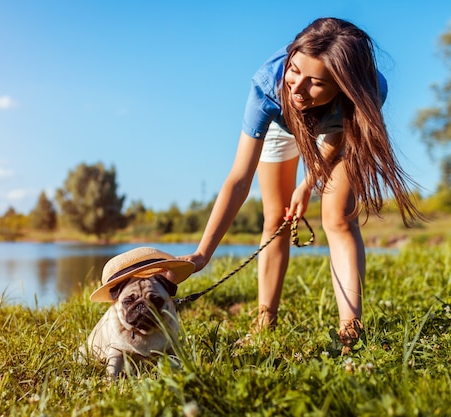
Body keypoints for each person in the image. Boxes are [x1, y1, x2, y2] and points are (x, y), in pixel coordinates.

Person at [181, 17, 422, 351]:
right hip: (282, 123)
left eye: (315, 82)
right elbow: (239, 179)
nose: (298, 87)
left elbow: (338, 136)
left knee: (337, 217)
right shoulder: (270, 87)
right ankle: (265, 318)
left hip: (334, 122)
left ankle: (350, 329)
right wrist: (202, 254)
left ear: (342, 85)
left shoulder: (367, 91)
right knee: (276, 218)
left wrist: (308, 184)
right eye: (294, 69)